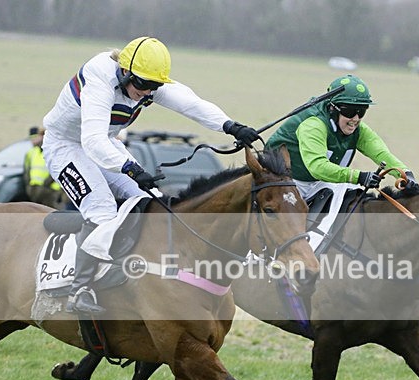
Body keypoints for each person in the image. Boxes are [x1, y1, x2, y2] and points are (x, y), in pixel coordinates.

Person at [42, 36, 260, 314]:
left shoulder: (146, 81)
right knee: (102, 209)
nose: (147, 92)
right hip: (67, 147)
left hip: (107, 146)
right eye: (143, 85)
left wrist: (231, 126)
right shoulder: (100, 78)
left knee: (152, 201)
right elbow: (93, 141)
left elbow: (191, 104)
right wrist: (131, 168)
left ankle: (136, 272)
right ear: (124, 71)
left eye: (154, 87)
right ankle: (79, 289)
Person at [266, 74, 415, 251]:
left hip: (315, 183)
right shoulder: (313, 124)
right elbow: (317, 167)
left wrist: (405, 173)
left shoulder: (358, 129)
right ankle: (307, 252)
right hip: (281, 183)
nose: (356, 118)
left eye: (362, 111)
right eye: (350, 111)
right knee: (343, 187)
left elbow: (381, 153)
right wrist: (359, 176)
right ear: (333, 108)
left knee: (355, 194)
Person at [24, 126, 63, 209]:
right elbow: (27, 171)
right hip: (35, 189)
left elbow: (56, 169)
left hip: (51, 190)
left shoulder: (52, 150)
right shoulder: (31, 152)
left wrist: (46, 184)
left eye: (35, 137)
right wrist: (28, 186)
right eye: (31, 138)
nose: (32, 140)